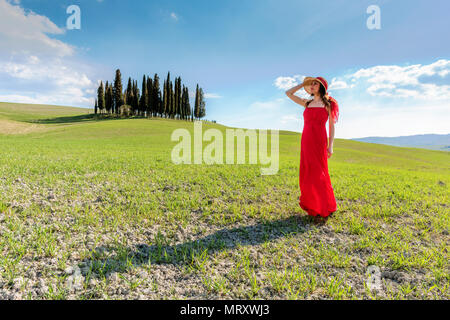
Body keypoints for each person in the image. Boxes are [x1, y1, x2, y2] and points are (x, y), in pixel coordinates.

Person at [285, 76, 339, 223]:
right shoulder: (307, 103)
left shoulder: (328, 104)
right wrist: (302, 84)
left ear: (321, 87)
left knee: (320, 172)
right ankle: (312, 205)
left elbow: (332, 127)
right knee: (308, 172)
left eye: (315, 84)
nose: (312, 86)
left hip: (319, 140)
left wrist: (331, 145)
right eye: (311, 84)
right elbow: (288, 93)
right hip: (307, 140)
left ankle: (325, 206)